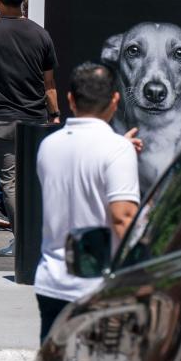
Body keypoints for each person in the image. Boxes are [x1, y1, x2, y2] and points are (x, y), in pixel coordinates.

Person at [34, 62, 141, 340]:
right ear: (115, 100)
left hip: (51, 281)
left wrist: (121, 149)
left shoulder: (49, 146)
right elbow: (123, 218)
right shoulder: (116, 150)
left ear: (70, 99)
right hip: (98, 287)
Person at [0, 0, 59, 257]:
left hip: (2, 118)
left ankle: (23, 241)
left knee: (9, 181)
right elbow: (49, 85)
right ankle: (35, 240)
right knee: (33, 182)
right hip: (35, 120)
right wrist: (55, 115)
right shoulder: (40, 34)